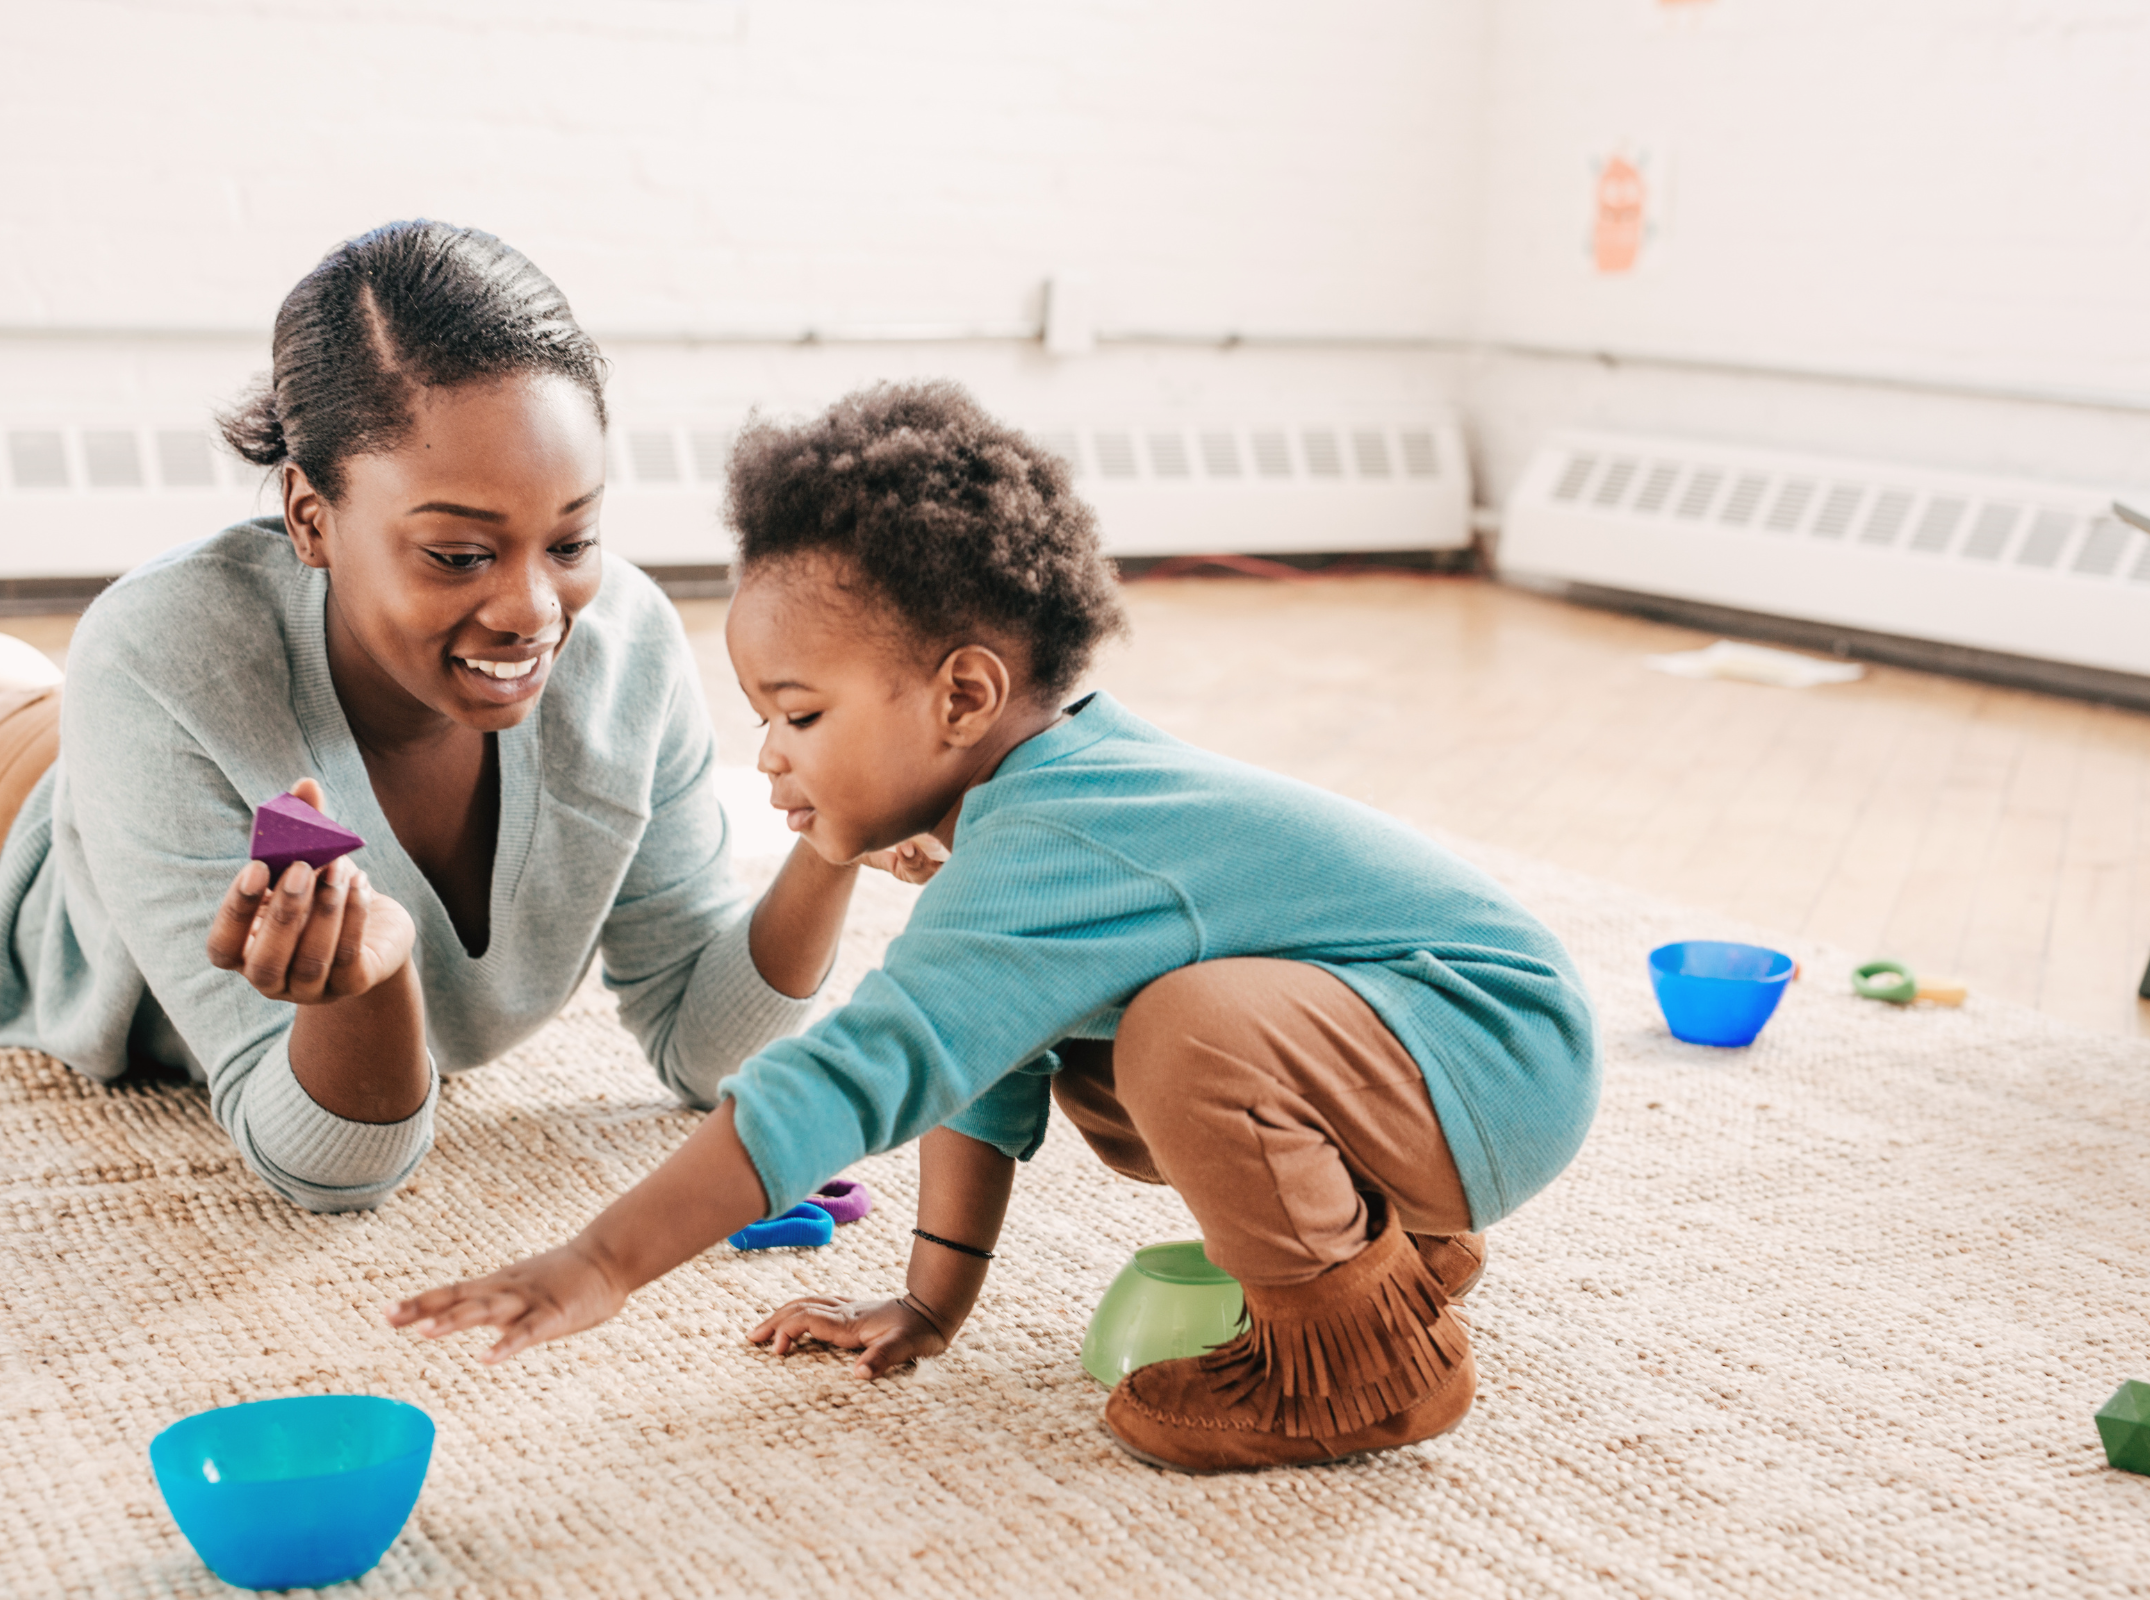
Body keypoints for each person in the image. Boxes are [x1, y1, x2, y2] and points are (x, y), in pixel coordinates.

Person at [389, 379, 1599, 1474]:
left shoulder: (1056, 838)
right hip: (1442, 1057)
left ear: (963, 694)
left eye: (800, 715)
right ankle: (1388, 1261)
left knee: (1189, 1037)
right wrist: (930, 1305)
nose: (769, 754)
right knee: (1107, 1042)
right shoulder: (1033, 811)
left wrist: (605, 1260)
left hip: (1492, 1045)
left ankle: (1359, 1361)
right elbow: (974, 1059)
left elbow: (870, 1067)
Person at [0, 220, 874, 1212]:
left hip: (122, 727)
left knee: (20, 686)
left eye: (572, 540)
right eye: (459, 554)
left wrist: (836, 840)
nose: (533, 611)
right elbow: (327, 1164)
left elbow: (705, 1046)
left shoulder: (627, 645)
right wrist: (365, 994)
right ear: (310, 518)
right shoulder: (154, 652)